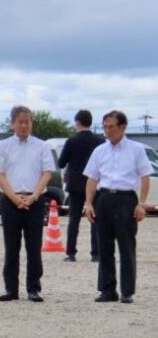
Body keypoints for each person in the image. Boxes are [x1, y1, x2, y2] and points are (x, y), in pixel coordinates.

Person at [84, 110, 152, 304]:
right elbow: (92, 178)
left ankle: (127, 291)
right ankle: (107, 290)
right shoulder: (99, 151)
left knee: (126, 246)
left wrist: (141, 203)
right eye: (105, 127)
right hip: (104, 198)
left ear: (122, 127)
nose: (108, 131)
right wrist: (89, 203)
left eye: (111, 127)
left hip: (126, 199)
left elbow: (145, 177)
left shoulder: (136, 149)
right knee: (104, 246)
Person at [0, 105, 55, 303]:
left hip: (35, 200)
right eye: (20, 122)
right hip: (11, 200)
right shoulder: (3, 146)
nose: (24, 126)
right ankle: (11, 288)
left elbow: (47, 173)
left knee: (34, 248)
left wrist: (34, 196)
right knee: (11, 247)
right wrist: (14, 197)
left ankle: (34, 288)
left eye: (27, 122)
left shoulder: (42, 146)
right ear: (12, 124)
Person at [58, 110, 104, 262]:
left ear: (77, 122)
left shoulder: (71, 141)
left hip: (75, 184)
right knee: (95, 218)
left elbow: (61, 163)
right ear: (90, 122)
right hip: (95, 183)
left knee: (74, 219)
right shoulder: (100, 141)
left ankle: (71, 253)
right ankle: (96, 253)